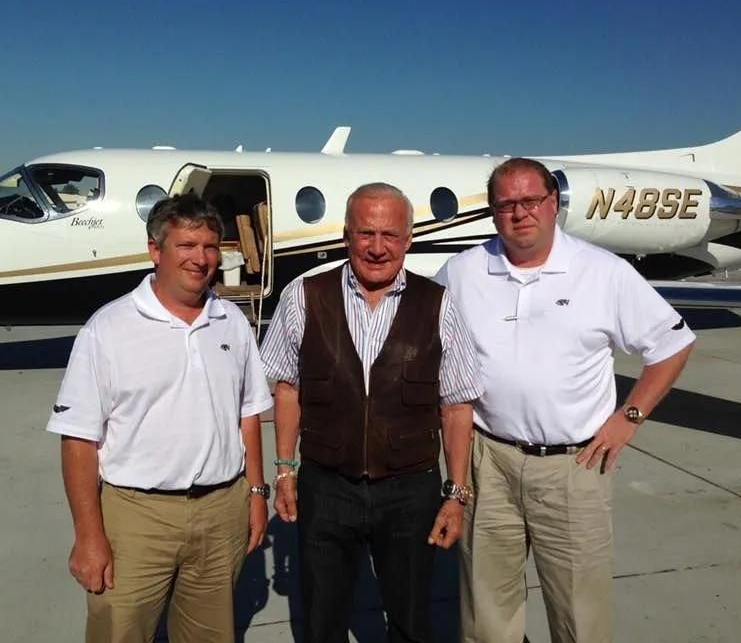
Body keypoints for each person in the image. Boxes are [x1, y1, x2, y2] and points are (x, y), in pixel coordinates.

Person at [435, 158, 696, 643]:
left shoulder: (602, 272)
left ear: (553, 203)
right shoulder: (463, 272)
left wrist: (630, 417)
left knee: (580, 613)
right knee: (485, 611)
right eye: (506, 204)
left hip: (572, 466)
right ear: (492, 212)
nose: (520, 213)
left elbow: (673, 343)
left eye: (531, 200)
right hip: (487, 460)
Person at [259, 182, 482, 643]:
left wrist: (456, 494)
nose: (377, 248)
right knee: (321, 618)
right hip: (326, 485)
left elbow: (457, 405)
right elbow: (287, 389)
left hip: (409, 490)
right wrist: (284, 471)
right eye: (365, 234)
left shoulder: (437, 304)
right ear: (345, 236)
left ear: (408, 239)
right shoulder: (303, 296)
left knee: (411, 618)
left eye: (389, 235)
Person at [45, 193, 274, 643]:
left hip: (220, 509)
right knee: (120, 632)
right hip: (136, 517)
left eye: (211, 247)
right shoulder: (108, 328)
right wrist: (89, 536)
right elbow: (78, 439)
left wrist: (257, 492)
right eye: (186, 246)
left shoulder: (232, 321)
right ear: (155, 250)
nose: (201, 258)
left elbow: (248, 414)